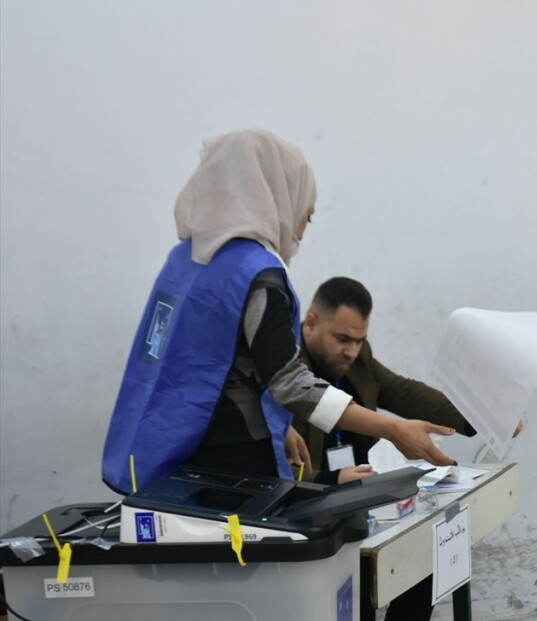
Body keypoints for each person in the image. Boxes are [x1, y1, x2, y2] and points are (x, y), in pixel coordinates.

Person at [102, 129, 454, 496]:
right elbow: (291, 384)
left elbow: (198, 357)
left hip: (168, 442)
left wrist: (279, 424)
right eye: (306, 216)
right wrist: (393, 429)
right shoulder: (257, 273)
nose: (300, 230)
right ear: (276, 199)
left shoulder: (186, 261)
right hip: (229, 458)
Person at [290, 276, 475, 621]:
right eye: (343, 339)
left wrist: (474, 416)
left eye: (359, 341)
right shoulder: (285, 369)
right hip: (313, 499)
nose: (352, 351)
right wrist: (329, 478)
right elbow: (277, 464)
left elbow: (399, 390)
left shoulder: (357, 358)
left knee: (423, 560)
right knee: (356, 596)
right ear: (310, 323)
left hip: (362, 495)